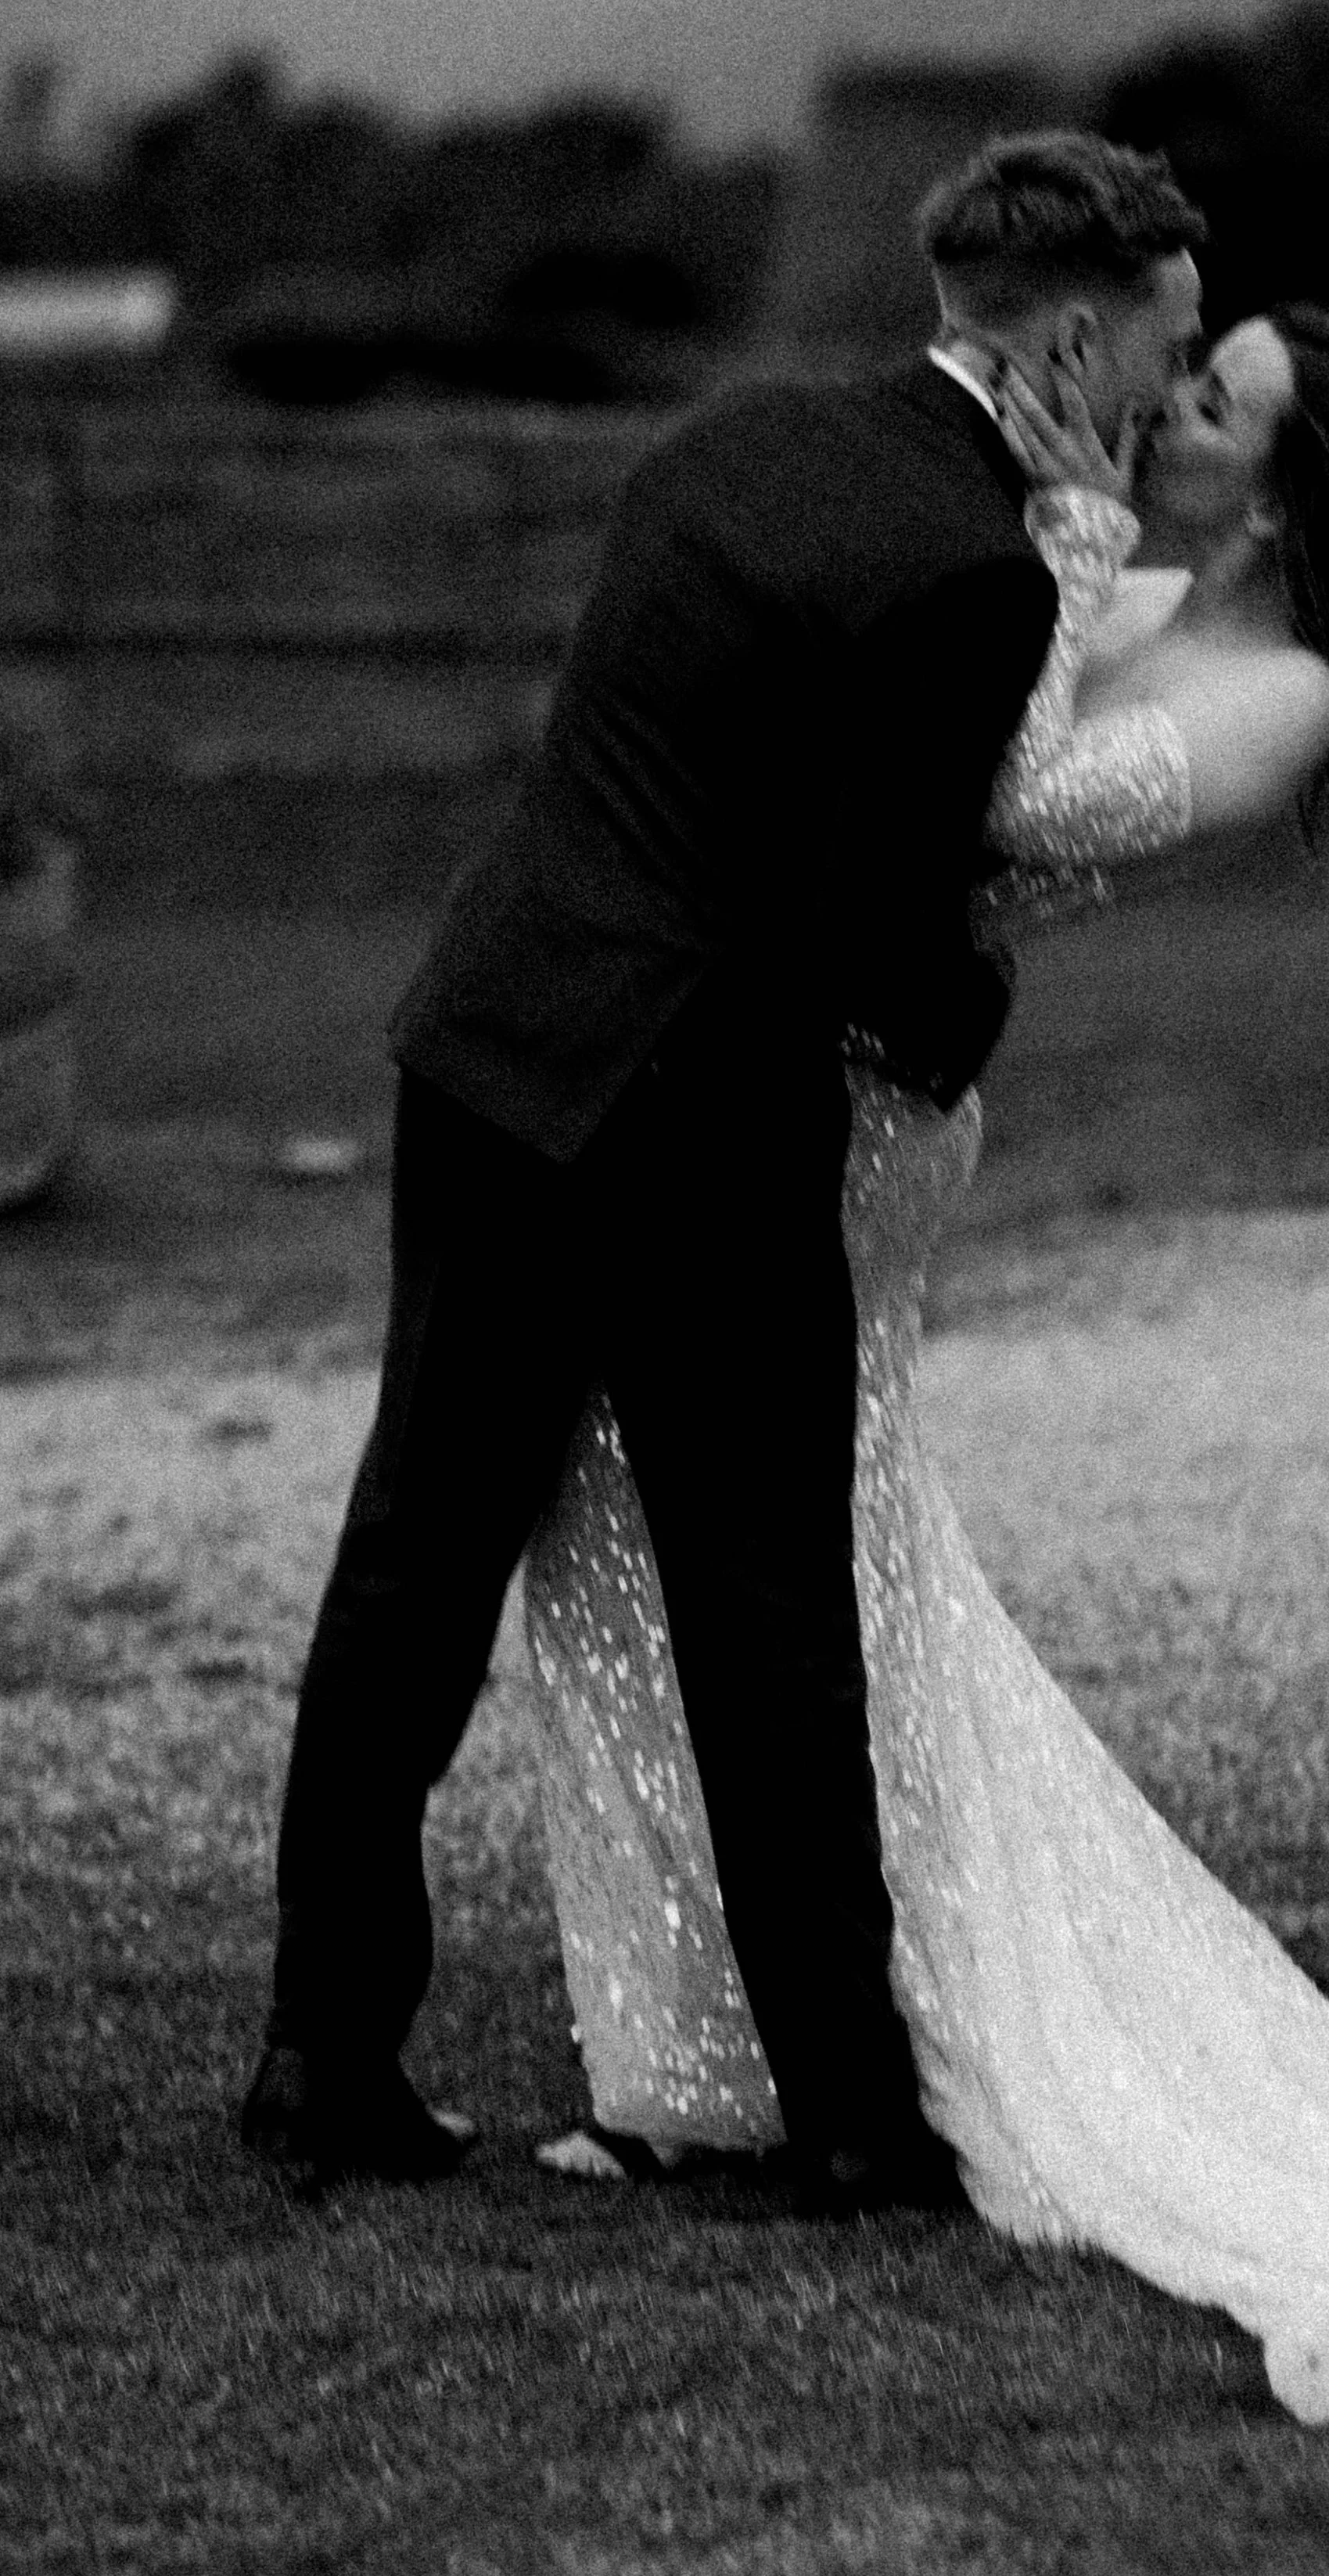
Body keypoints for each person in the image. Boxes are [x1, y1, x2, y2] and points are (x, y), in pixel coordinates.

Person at [520, 268, 1329, 2452]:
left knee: (796, 1557)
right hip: (783, 1075)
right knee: (629, 1528)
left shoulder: (1290, 685)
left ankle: (831, 2021)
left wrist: (1036, 559)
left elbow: (1014, 805)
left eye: (1210, 399)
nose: (1160, 407)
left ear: (1282, 476)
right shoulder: (1110, 569)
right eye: (1178, 370)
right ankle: (708, 2042)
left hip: (854, 1125)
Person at [238, 128, 1207, 2200]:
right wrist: (954, 1041)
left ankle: (321, 2056)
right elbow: (886, 918)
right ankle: (853, 2116)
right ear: (1066, 327)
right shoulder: (979, 570)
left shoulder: (717, 444)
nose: (1164, 382)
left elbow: (673, 766)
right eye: (1158, 341)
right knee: (765, 1615)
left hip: (494, 1043)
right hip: (698, 1115)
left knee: (408, 1566)